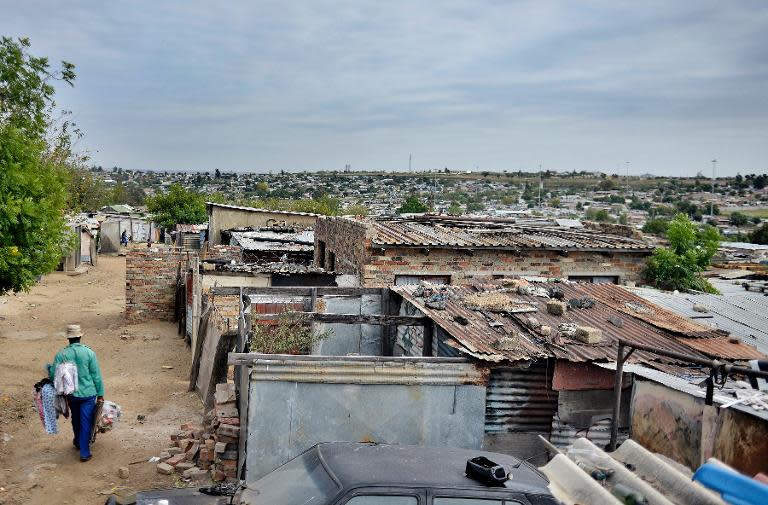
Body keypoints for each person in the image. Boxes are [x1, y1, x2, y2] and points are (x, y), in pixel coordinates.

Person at [49, 324, 104, 462]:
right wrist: (100, 393)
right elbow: (96, 375)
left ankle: (78, 442)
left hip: (71, 394)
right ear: (80, 337)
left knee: (76, 418)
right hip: (88, 393)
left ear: (68, 339)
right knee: (86, 421)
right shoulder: (89, 353)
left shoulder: (61, 354)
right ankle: (84, 452)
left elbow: (53, 374)